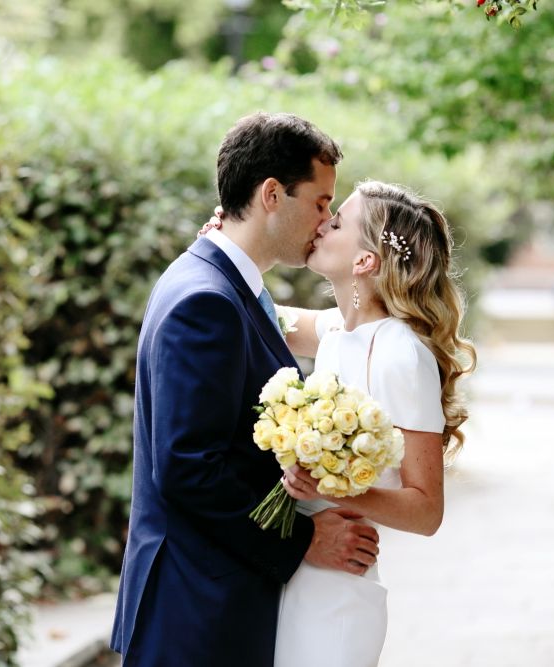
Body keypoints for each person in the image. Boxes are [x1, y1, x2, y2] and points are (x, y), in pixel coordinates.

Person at [110, 113, 381, 667]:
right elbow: (189, 468)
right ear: (272, 194)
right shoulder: (205, 302)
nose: (325, 220)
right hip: (196, 611)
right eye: (322, 202)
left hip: (211, 601)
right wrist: (304, 541)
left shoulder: (217, 283)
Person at [202, 179, 476, 666]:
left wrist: (330, 488)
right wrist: (220, 249)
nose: (321, 224)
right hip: (294, 566)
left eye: (337, 220)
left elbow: (426, 510)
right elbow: (260, 314)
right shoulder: (337, 330)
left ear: (365, 261)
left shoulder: (401, 355)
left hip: (338, 581)